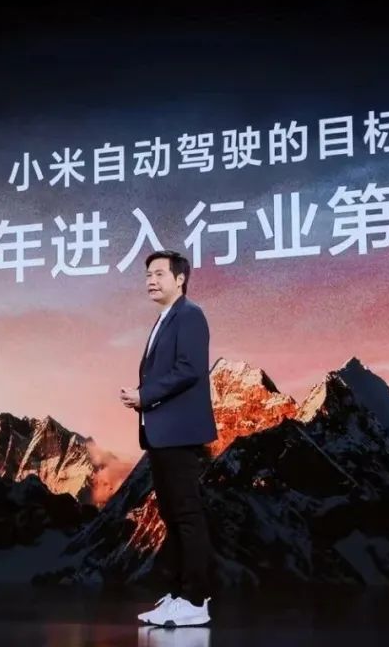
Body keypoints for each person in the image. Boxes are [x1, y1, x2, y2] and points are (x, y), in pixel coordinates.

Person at [119, 249, 217, 627]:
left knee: (187, 515)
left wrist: (144, 396)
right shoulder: (166, 318)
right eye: (148, 275)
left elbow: (189, 369)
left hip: (179, 433)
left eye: (159, 274)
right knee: (173, 516)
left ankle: (196, 599)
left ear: (180, 279)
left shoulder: (190, 315)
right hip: (162, 434)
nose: (151, 280)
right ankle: (178, 595)